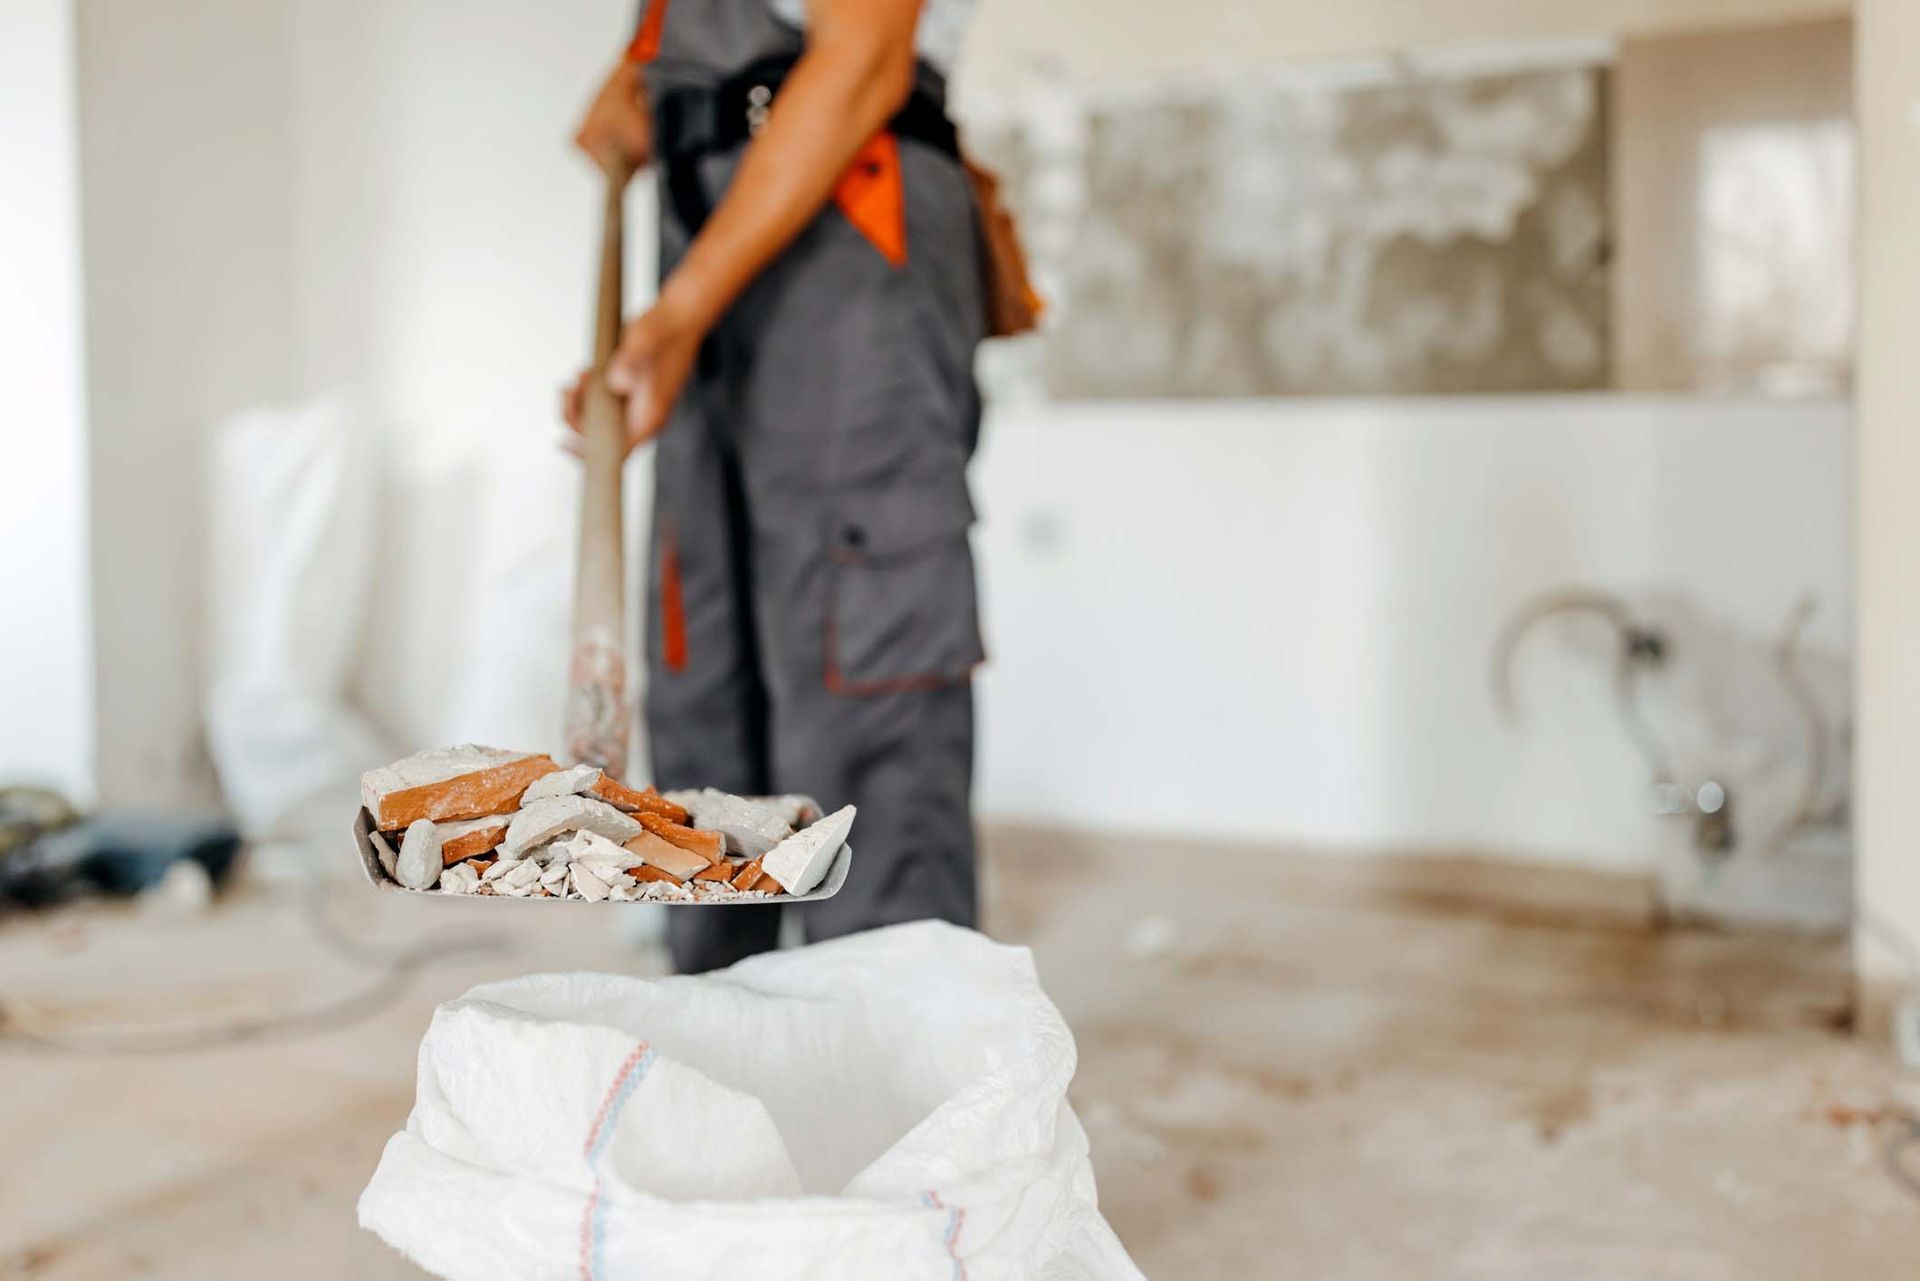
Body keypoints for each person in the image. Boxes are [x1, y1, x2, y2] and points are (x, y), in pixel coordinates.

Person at [563, 0, 986, 973]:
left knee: (859, 689)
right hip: (706, 231)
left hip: (847, 216)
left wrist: (674, 320)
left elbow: (865, 54)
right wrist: (647, 78)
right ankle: (729, 1056)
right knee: (705, 679)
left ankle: (894, 1075)